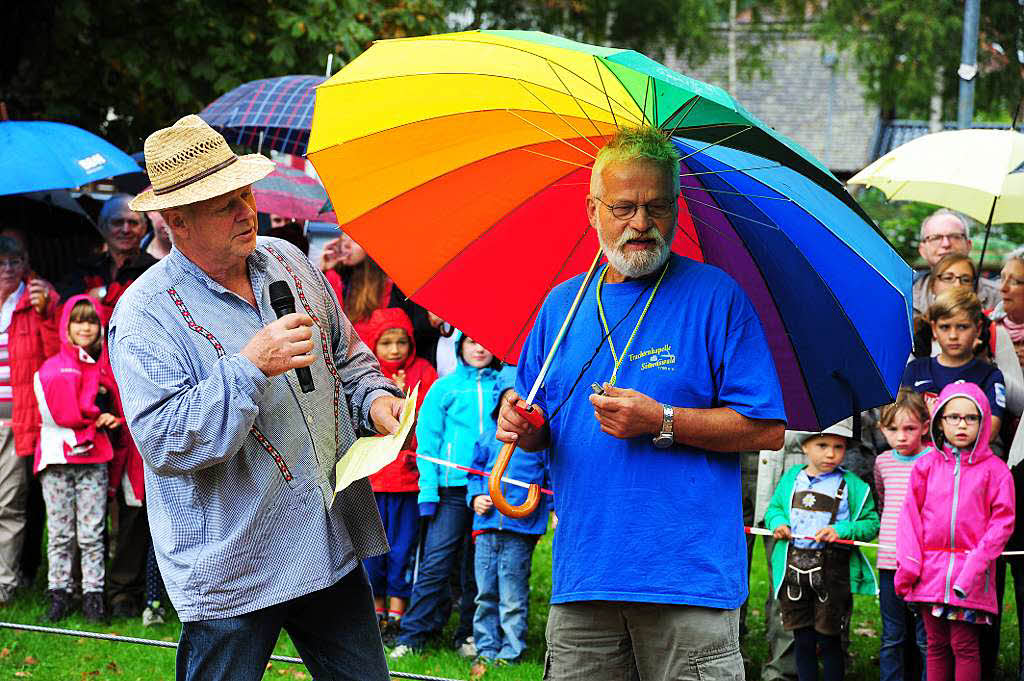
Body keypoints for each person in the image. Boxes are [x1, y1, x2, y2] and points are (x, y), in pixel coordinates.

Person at [108, 114, 405, 681]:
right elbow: (164, 441)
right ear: (177, 222)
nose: (247, 211)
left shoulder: (288, 261)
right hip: (231, 562)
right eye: (225, 205)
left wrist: (374, 401)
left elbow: (347, 357)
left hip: (322, 535)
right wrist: (247, 367)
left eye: (245, 194)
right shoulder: (145, 313)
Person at [497, 126, 786, 680]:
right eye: (624, 206)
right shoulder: (561, 305)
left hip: (690, 582)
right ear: (592, 210)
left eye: (657, 206)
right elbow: (536, 417)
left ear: (677, 207)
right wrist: (522, 423)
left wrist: (663, 421)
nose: (640, 223)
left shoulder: (716, 296)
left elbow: (765, 429)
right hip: (585, 574)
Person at [390, 333, 504, 659]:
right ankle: (413, 635)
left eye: (486, 342)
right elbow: (427, 442)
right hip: (450, 489)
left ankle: (468, 633)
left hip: (488, 487)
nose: (480, 348)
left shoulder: (503, 387)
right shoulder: (444, 388)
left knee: (478, 565)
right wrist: (428, 490)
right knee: (436, 561)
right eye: (471, 342)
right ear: (459, 348)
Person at [895, 383, 1015, 681]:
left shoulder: (996, 471)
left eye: (970, 418)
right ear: (939, 421)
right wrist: (909, 565)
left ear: (984, 421)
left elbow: (1002, 523)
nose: (962, 424)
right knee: (935, 644)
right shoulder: (925, 467)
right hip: (930, 573)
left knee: (964, 645)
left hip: (969, 576)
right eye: (953, 417)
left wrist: (974, 567)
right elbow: (908, 517)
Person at [764, 419, 879, 681]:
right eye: (822, 445)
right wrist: (777, 523)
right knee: (802, 640)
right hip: (794, 572)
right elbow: (774, 510)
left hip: (832, 575)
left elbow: (871, 524)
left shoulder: (854, 486)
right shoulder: (791, 479)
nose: (830, 453)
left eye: (838, 447)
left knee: (829, 641)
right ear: (805, 447)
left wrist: (843, 530)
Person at [33, 295, 121, 622]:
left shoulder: (104, 369)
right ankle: (59, 593)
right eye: (78, 320)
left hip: (94, 459)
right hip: (57, 458)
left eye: (92, 320)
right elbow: (61, 414)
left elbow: (122, 406)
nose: (85, 327)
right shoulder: (52, 369)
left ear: (100, 327)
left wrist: (113, 419)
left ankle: (93, 597)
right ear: (66, 325)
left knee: (92, 531)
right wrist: (94, 416)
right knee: (59, 532)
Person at [361, 307, 438, 642]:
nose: (395, 350)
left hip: (409, 482)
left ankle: (397, 614)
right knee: (374, 550)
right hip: (374, 481)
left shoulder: (424, 371)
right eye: (386, 342)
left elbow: (430, 423)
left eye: (401, 342)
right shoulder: (369, 376)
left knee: (402, 547)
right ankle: (375, 613)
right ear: (373, 345)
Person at [467, 377, 551, 680]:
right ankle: (486, 648)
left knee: (513, 595)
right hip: (487, 528)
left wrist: (553, 510)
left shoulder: (538, 447)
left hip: (520, 529)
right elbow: (474, 474)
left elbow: (550, 481)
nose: (515, 409)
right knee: (485, 591)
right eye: (509, 402)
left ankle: (511, 652)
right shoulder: (488, 438)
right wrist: (476, 496)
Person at [0, 234, 59, 602]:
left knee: (8, 503)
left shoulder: (38, 301)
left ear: (26, 264)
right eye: (1, 262)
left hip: (14, 420)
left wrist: (48, 314)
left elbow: (55, 358)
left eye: (15, 261)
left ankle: (4, 581)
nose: (8, 269)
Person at [874, 390, 932, 681]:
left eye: (909, 428)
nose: (901, 436)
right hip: (889, 562)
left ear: (925, 425)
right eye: (892, 429)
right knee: (892, 636)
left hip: (925, 562)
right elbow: (883, 502)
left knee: (926, 638)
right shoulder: (882, 462)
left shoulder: (934, 458)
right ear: (881, 429)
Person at [319, 232, 438, 364]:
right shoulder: (339, 278)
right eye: (343, 238)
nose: (345, 245)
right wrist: (322, 272)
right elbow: (328, 323)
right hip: (350, 366)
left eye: (354, 240)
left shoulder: (395, 286)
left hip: (386, 372)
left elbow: (415, 336)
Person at [902, 287, 1005, 437]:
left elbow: (991, 431)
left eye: (962, 327)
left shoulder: (990, 375)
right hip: (919, 457)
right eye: (944, 327)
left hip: (969, 458)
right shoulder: (915, 370)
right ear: (934, 329)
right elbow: (900, 421)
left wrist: (937, 420)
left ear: (978, 328)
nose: (953, 335)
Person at [57, 193, 158, 322]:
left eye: (133, 223)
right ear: (102, 227)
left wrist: (102, 294)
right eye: (117, 222)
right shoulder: (85, 269)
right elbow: (68, 314)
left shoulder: (154, 271)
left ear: (143, 229)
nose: (126, 229)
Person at [912, 209, 999, 315]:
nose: (946, 244)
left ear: (968, 245)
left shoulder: (999, 297)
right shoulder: (906, 296)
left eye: (955, 237)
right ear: (922, 250)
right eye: (936, 238)